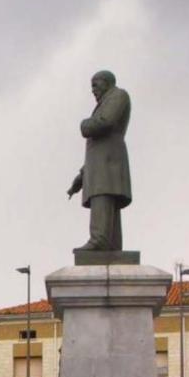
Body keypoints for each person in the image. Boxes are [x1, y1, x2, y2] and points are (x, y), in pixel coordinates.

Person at [67, 70, 132, 251]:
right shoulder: (107, 101)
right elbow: (96, 152)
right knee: (106, 205)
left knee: (102, 197)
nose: (93, 90)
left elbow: (105, 122)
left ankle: (99, 240)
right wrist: (80, 178)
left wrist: (83, 125)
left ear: (107, 82)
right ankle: (109, 244)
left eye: (95, 84)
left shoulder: (118, 95)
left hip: (108, 163)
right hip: (103, 163)